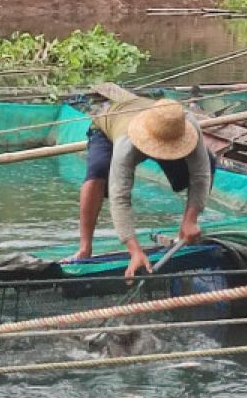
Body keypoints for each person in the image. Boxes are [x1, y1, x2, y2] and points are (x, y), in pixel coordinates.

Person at [71, 96, 214, 280]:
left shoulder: (186, 124)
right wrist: (135, 251)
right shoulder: (126, 145)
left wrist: (191, 219)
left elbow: (201, 175)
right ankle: (85, 247)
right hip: (109, 127)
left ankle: (185, 232)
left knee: (208, 162)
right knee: (97, 172)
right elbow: (119, 198)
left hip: (157, 124)